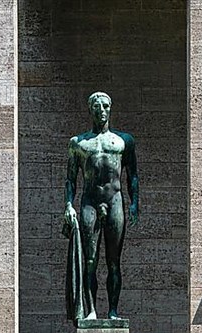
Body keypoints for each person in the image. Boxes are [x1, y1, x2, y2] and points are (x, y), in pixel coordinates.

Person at [64, 91, 139, 320]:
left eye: (105, 106)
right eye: (97, 107)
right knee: (90, 260)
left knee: (114, 261)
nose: (101, 111)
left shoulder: (123, 141)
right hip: (90, 202)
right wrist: (68, 204)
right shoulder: (78, 143)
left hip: (115, 200)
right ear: (91, 110)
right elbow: (70, 179)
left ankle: (113, 311)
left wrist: (135, 202)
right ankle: (92, 311)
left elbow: (132, 176)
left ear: (110, 109)